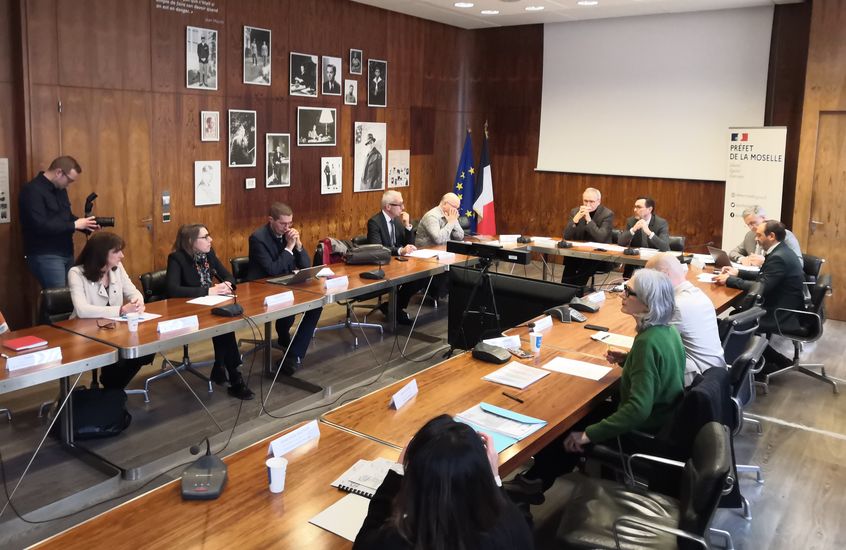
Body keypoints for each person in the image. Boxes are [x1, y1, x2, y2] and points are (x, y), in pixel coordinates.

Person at [506, 269, 684, 497]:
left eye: (628, 291)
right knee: (574, 419)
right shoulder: (668, 332)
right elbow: (661, 370)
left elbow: (638, 410)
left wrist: (588, 435)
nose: (621, 294)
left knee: (564, 428)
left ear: (647, 303)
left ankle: (534, 483)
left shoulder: (647, 344)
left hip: (642, 431)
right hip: (664, 421)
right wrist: (628, 360)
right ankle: (538, 479)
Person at [353, 414, 534, 550]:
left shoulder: (402, 539)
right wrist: (494, 480)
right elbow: (501, 509)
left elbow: (364, 543)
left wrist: (396, 474)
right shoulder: (513, 526)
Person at [166, 224, 254, 400]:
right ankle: (234, 377)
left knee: (224, 324)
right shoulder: (177, 258)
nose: (210, 240)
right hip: (187, 311)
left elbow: (228, 276)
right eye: (205, 237)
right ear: (191, 241)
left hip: (208, 306)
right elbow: (172, 289)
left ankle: (222, 368)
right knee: (224, 328)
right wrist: (208, 291)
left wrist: (227, 284)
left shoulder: (209, 255)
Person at [715, 220, 806, 375]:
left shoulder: (779, 257)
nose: (756, 238)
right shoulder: (781, 251)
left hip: (781, 313)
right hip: (785, 306)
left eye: (759, 235)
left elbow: (761, 286)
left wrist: (729, 280)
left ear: (771, 236)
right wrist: (739, 273)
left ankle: (762, 366)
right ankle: (775, 360)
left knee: (736, 321)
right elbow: (765, 275)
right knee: (737, 317)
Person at [67, 232, 154, 391]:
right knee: (120, 360)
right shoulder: (76, 273)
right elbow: (82, 310)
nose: (122, 255)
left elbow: (133, 291)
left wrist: (138, 301)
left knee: (146, 350)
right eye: (116, 251)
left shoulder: (117, 268)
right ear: (101, 253)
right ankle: (113, 392)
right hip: (85, 332)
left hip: (115, 330)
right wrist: (121, 310)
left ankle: (112, 389)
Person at [247, 203, 323, 375]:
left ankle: (294, 355)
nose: (287, 228)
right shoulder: (258, 238)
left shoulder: (289, 235)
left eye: (290, 223)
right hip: (262, 287)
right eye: (283, 224)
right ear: (270, 220)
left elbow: (305, 265)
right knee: (289, 306)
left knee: (316, 304)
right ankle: (283, 334)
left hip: (285, 283)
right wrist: (289, 248)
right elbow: (272, 270)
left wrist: (299, 245)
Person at [646, 252, 726, 386]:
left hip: (699, 379)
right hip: (714, 372)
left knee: (641, 370)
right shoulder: (696, 293)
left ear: (664, 274)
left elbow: (654, 345)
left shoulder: (677, 305)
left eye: (648, 280)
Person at [20, 156, 99, 289]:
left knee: (68, 298)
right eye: (69, 180)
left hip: (66, 252)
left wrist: (86, 225)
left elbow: (66, 217)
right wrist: (74, 225)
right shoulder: (32, 191)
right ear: (59, 172)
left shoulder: (61, 190)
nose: (68, 184)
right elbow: (39, 225)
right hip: (45, 254)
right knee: (59, 300)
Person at [367, 190, 419, 325]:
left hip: (397, 263)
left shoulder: (396, 221)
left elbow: (410, 245)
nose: (403, 208)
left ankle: (393, 307)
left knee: (420, 278)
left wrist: (407, 226)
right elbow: (378, 249)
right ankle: (394, 309)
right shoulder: (374, 222)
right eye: (399, 204)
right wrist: (400, 250)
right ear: (388, 207)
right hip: (382, 265)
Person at [561, 187, 615, 286]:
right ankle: (564, 290)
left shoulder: (607, 214)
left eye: (591, 201)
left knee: (584, 266)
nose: (587, 205)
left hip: (597, 255)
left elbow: (601, 237)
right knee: (570, 265)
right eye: (585, 201)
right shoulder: (575, 212)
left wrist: (589, 220)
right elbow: (566, 236)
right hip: (577, 252)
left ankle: (577, 292)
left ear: (598, 201)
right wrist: (575, 220)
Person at [729, 205, 802, 266]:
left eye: (753, 223)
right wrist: (742, 259)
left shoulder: (785, 235)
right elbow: (733, 253)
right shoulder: (750, 235)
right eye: (748, 224)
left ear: (764, 218)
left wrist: (766, 261)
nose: (751, 227)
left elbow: (799, 263)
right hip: (753, 276)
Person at [617, 195, 670, 279]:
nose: (635, 210)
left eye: (639, 207)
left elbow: (665, 247)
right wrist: (633, 230)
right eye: (635, 207)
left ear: (649, 209)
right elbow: (620, 242)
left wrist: (649, 232)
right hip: (635, 263)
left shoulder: (661, 223)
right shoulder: (631, 221)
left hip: (654, 264)